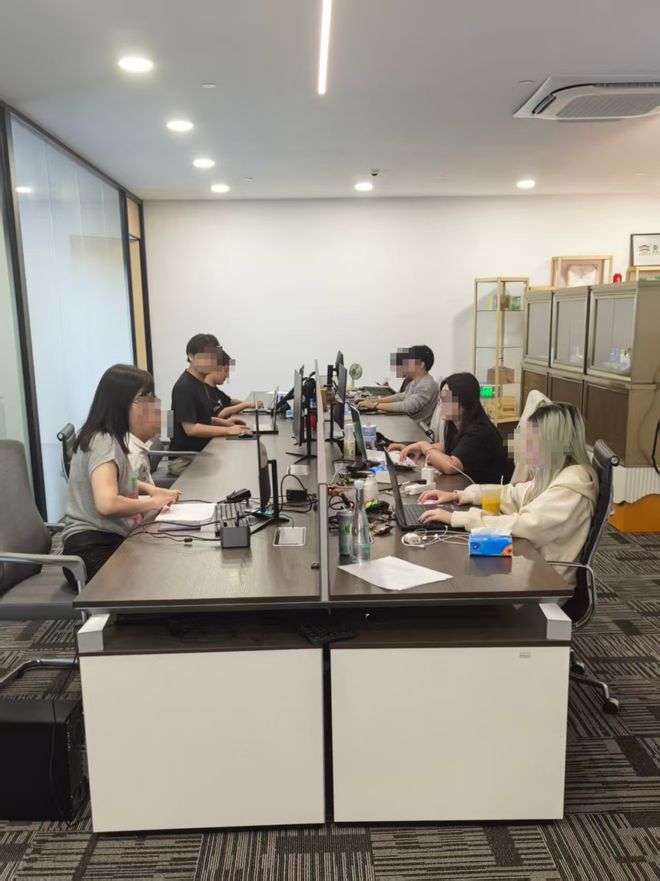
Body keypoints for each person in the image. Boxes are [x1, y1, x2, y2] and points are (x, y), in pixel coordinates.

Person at [418, 403, 598, 582]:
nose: (525, 447)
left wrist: (456, 518)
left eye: (532, 441)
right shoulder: (553, 474)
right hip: (533, 565)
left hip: (548, 580)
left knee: (463, 576)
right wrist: (459, 495)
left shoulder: (570, 486)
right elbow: (512, 493)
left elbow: (524, 525)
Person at [61, 365, 181, 586]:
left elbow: (120, 479)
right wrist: (154, 502)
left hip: (106, 540)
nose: (152, 407)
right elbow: (107, 504)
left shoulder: (110, 437)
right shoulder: (103, 441)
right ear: (124, 401)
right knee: (160, 579)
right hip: (91, 550)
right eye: (147, 399)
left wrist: (151, 489)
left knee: (167, 562)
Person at [399, 372, 511, 483]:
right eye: (440, 399)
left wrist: (424, 446)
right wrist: (416, 448)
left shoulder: (479, 431)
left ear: (464, 402)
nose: (441, 405)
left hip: (490, 492)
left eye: (446, 400)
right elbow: (449, 446)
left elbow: (451, 466)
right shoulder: (457, 424)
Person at [169, 334, 251, 476]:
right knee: (230, 471)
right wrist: (228, 431)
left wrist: (225, 423)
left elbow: (202, 417)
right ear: (191, 356)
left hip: (201, 451)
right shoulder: (184, 387)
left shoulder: (200, 383)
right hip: (184, 459)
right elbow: (191, 429)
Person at [357, 345, 438, 425]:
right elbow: (400, 397)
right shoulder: (415, 381)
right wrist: (373, 401)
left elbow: (407, 407)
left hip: (414, 428)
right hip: (405, 422)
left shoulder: (427, 385)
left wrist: (375, 405)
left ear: (421, 364)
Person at [204, 349, 264, 419]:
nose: (227, 376)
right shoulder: (205, 391)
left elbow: (229, 401)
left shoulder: (214, 389)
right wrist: (245, 405)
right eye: (226, 370)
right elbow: (220, 413)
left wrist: (250, 403)